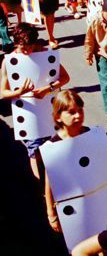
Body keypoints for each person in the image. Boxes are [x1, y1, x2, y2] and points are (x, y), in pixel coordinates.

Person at [42, 90, 107, 234]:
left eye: (80, 110)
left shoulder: (94, 135)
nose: (78, 115)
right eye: (71, 112)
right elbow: (50, 182)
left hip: (100, 197)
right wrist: (51, 213)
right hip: (77, 205)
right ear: (58, 117)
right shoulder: (53, 147)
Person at [0, 22, 70, 179]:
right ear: (16, 43)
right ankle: (39, 184)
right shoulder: (9, 61)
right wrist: (19, 92)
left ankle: (60, 179)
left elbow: (65, 77)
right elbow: (3, 93)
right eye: (22, 48)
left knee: (57, 144)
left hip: (49, 109)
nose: (27, 51)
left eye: (29, 47)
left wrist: (48, 89)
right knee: (34, 150)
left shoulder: (45, 55)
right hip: (27, 112)